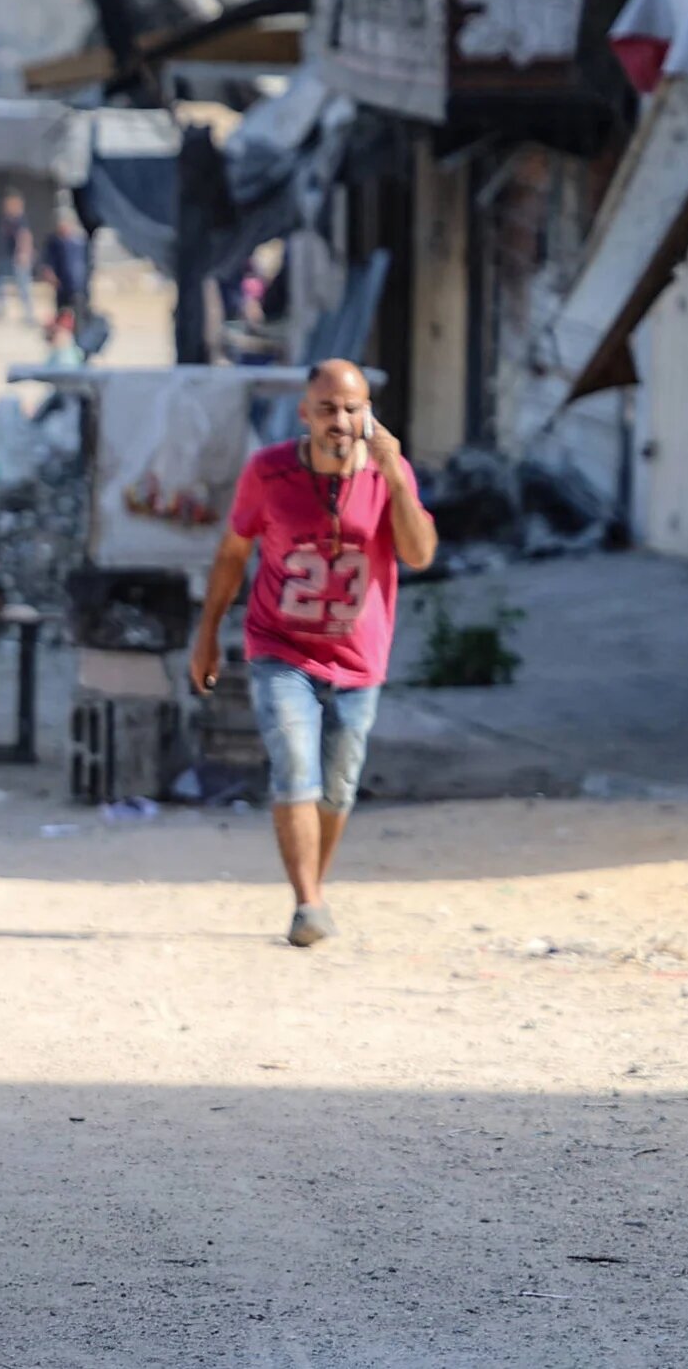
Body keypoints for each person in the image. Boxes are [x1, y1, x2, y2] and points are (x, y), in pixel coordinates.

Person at [191, 360, 437, 947]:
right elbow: (232, 554)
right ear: (305, 415)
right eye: (327, 409)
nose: (341, 421)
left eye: (353, 408)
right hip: (281, 645)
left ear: (369, 413)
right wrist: (206, 633)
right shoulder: (268, 472)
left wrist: (396, 477)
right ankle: (307, 902)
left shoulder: (387, 472)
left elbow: (419, 553)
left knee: (338, 787)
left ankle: (314, 892)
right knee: (294, 767)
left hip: (359, 655)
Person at [42, 208, 91, 328]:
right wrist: (50, 275)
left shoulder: (80, 241)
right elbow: (48, 262)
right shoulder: (54, 242)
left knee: (79, 314)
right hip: (61, 285)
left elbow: (87, 263)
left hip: (78, 285)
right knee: (62, 313)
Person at [0, 191, 37, 325]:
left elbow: (25, 237)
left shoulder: (20, 221)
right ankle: (1, 309)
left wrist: (24, 254)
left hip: (19, 257)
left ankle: (29, 315)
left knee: (23, 287)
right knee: (0, 281)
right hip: (8, 256)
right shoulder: (8, 220)